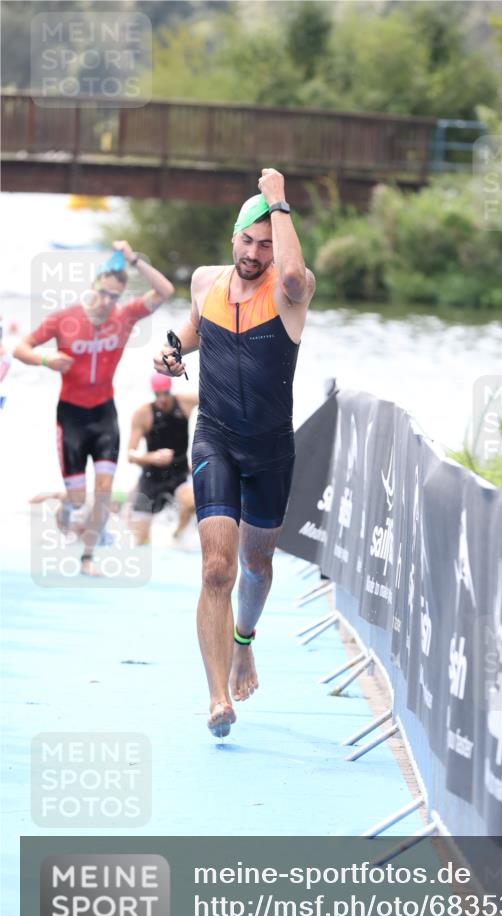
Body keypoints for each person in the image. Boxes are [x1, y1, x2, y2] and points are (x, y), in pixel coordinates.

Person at [153, 168, 316, 739]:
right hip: (216, 436)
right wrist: (172, 351)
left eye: (265, 243)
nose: (254, 253)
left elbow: (294, 271)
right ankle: (218, 696)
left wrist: (278, 201)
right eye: (247, 240)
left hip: (271, 449)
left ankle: (244, 644)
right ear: (232, 238)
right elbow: (195, 330)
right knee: (217, 568)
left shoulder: (291, 290)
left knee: (256, 564)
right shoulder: (205, 282)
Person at [14, 241, 174, 576]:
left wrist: (134, 258)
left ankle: (88, 558)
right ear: (92, 287)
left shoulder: (125, 316)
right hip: (71, 417)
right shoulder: (64, 319)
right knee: (77, 498)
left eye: (114, 296)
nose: (106, 302)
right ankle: (66, 504)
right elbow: (21, 348)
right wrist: (46, 359)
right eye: (102, 293)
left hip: (104, 415)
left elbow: (165, 289)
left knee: (102, 492)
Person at [128, 373, 198, 544]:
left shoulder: (184, 402)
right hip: (152, 477)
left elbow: (214, 394)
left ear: (170, 390)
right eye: (157, 394)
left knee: (192, 503)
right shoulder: (143, 413)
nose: (162, 399)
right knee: (140, 540)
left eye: (165, 393)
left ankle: (177, 536)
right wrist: (152, 457)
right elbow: (131, 454)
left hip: (178, 473)